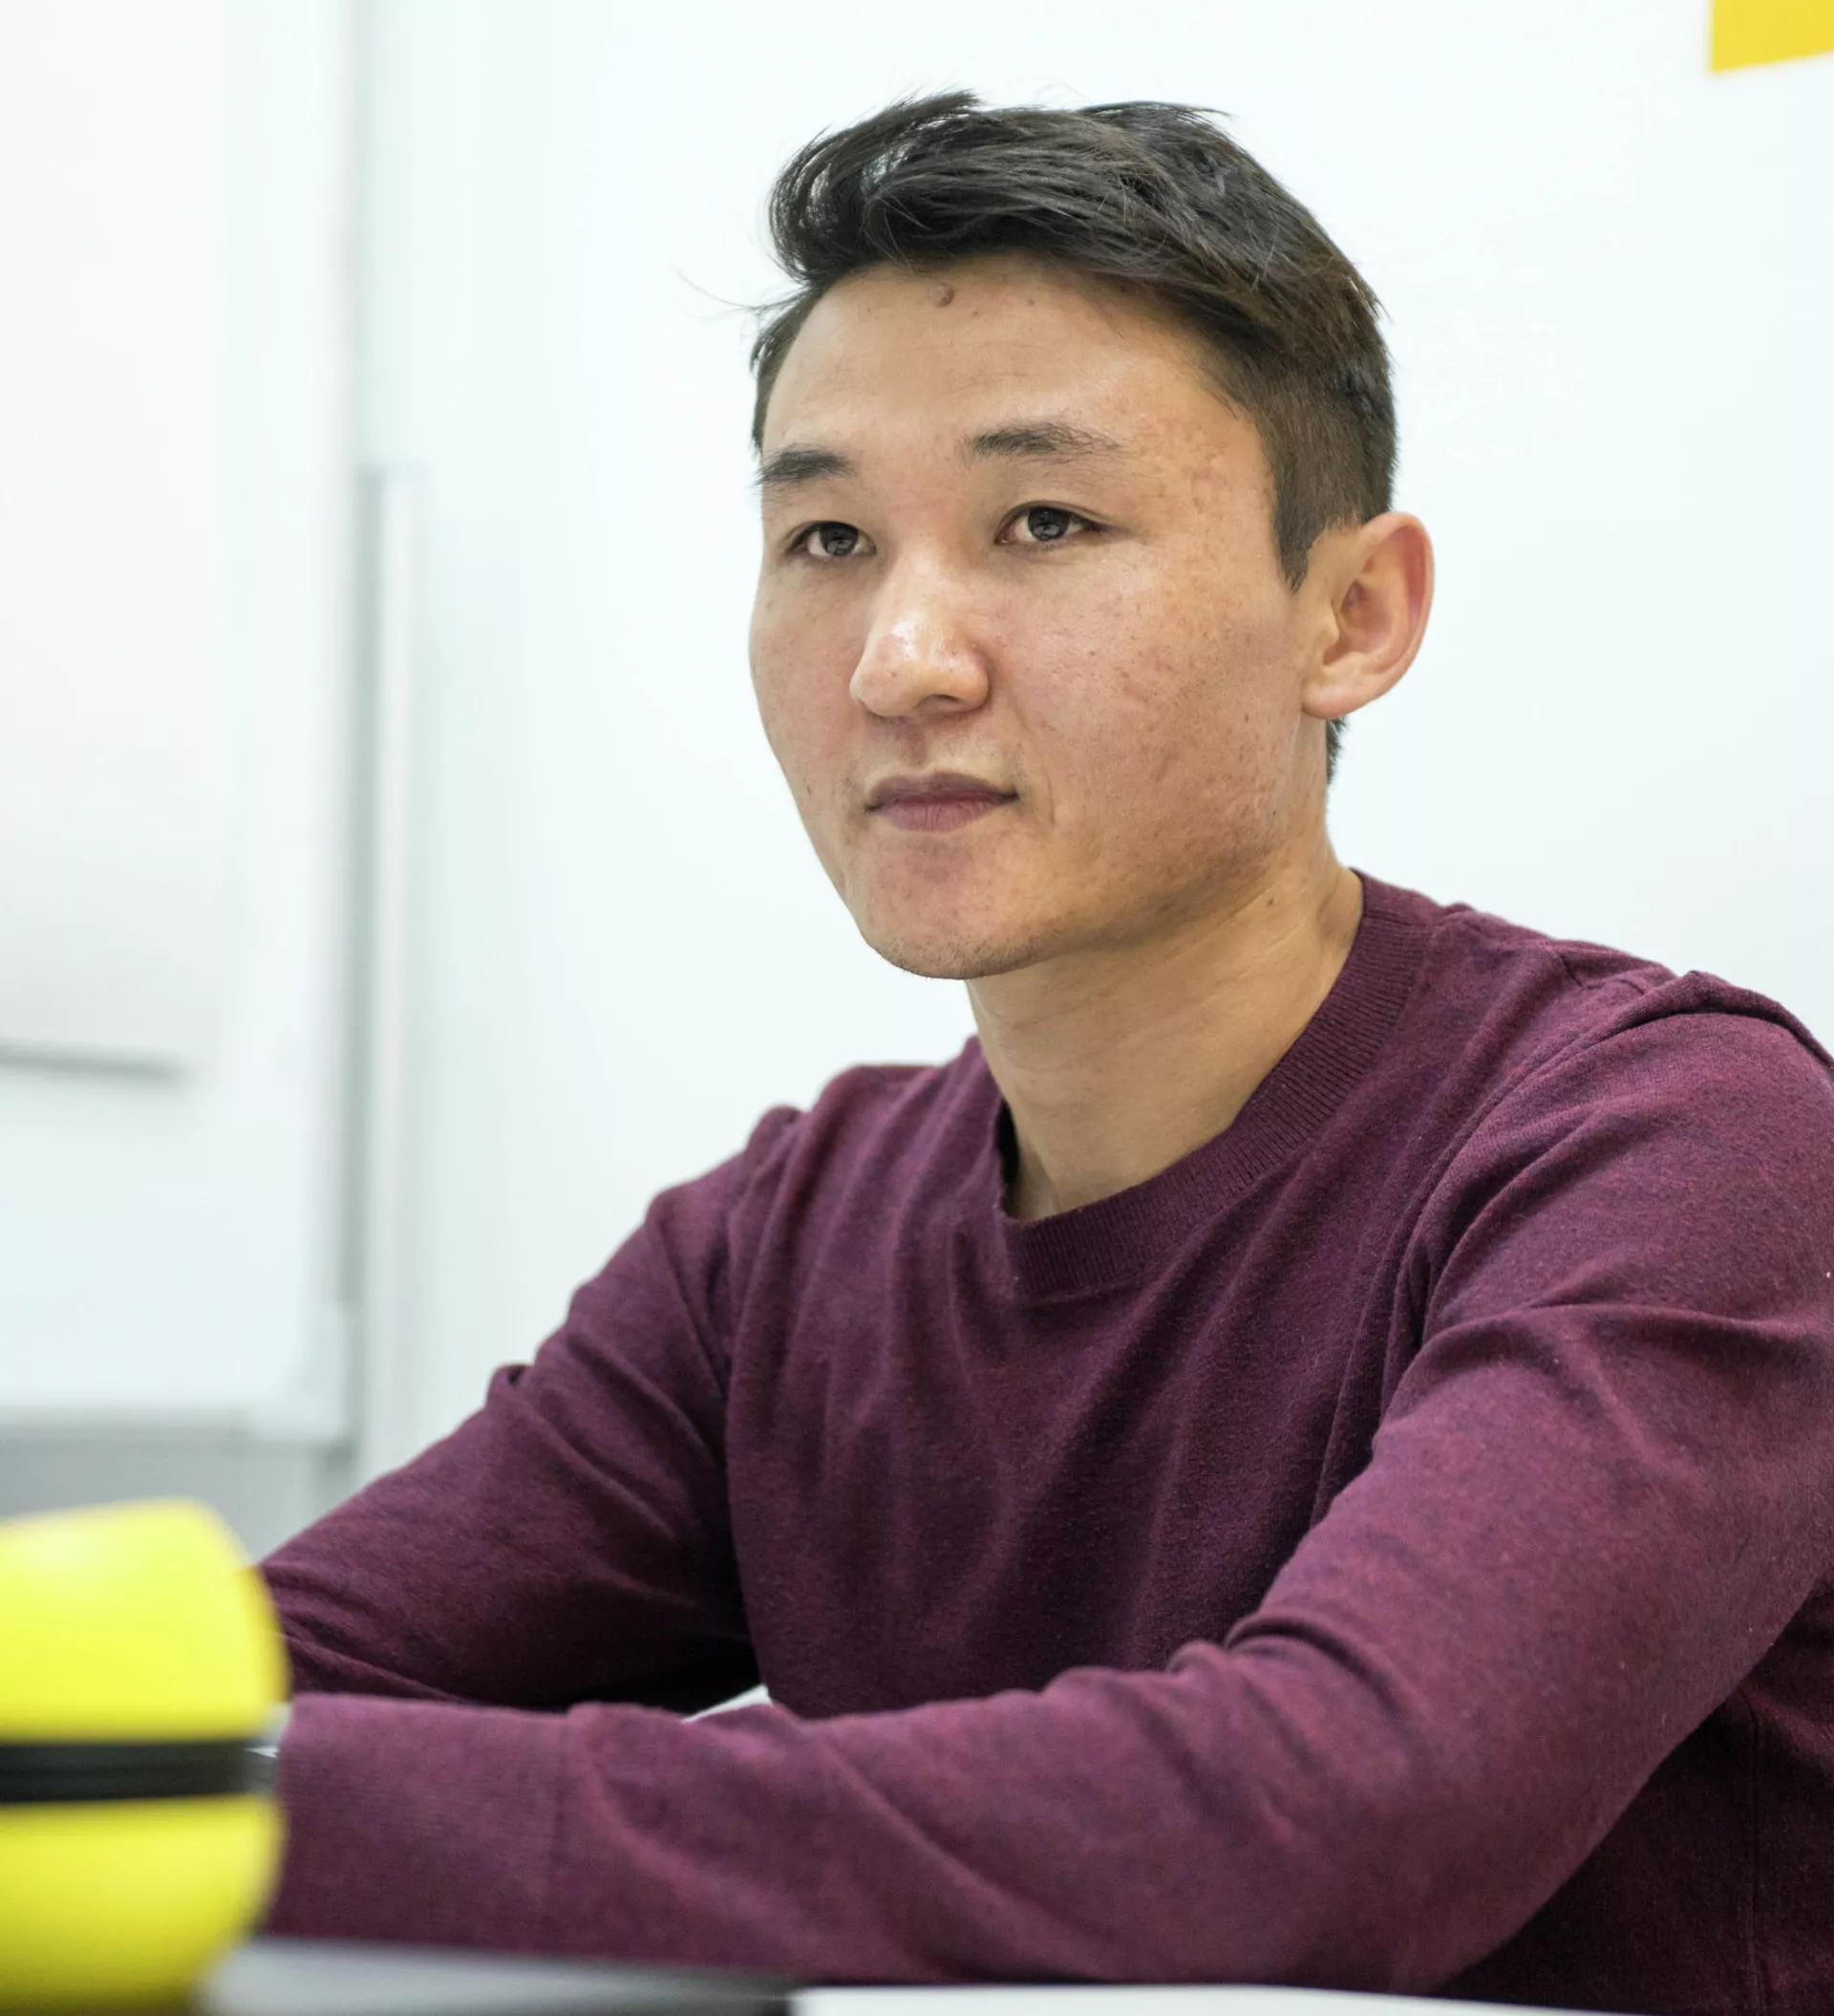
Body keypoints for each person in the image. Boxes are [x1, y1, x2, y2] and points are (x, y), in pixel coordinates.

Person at [260, 94, 1834, 2013]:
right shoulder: (782, 1241)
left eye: (1045, 523)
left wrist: (211, 1812)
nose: (901, 659)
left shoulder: (1680, 1145)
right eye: (827, 536)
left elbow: (1340, 1820)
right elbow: (254, 1679)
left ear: (1352, 613)